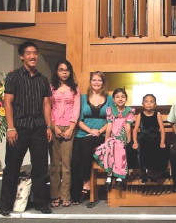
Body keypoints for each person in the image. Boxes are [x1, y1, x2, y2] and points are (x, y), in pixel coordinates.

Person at [0, 41, 53, 216]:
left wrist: (48, 126)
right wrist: (11, 128)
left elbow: (46, 105)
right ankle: (5, 204)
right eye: (29, 53)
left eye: (35, 53)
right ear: (22, 56)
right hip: (19, 128)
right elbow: (8, 102)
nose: (33, 56)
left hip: (38, 127)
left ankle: (40, 203)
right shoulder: (14, 77)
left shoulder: (43, 79)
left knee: (40, 167)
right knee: (12, 166)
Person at [70, 71, 113, 205]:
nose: (96, 82)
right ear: (90, 82)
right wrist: (89, 130)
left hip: (100, 134)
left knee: (88, 143)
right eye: (94, 80)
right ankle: (75, 194)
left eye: (99, 80)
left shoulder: (109, 98)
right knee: (76, 157)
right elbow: (78, 119)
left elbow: (110, 120)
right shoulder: (82, 98)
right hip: (83, 133)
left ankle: (87, 181)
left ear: (103, 82)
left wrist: (98, 131)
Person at [49, 60, 80, 208]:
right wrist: (53, 126)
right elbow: (47, 108)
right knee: (55, 164)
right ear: (57, 72)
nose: (64, 72)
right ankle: (54, 195)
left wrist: (71, 128)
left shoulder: (74, 89)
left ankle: (65, 196)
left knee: (66, 165)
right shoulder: (51, 88)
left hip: (69, 127)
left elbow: (76, 109)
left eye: (67, 70)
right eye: (61, 70)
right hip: (54, 127)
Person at [94, 88, 135, 187]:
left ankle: (119, 175)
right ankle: (109, 174)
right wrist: (106, 140)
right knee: (108, 147)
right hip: (113, 136)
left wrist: (129, 140)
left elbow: (128, 127)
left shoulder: (130, 111)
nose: (120, 99)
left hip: (122, 136)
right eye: (117, 97)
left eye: (123, 97)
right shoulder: (110, 110)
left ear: (126, 98)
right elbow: (109, 126)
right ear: (113, 100)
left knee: (120, 149)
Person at [132, 94, 168, 183]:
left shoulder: (157, 114)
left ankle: (154, 174)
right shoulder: (140, 115)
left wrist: (162, 142)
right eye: (146, 102)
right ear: (142, 104)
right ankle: (143, 174)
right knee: (141, 152)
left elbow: (162, 129)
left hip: (155, 138)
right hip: (143, 138)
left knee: (158, 151)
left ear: (155, 104)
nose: (149, 104)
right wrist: (135, 142)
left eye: (151, 102)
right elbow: (135, 129)